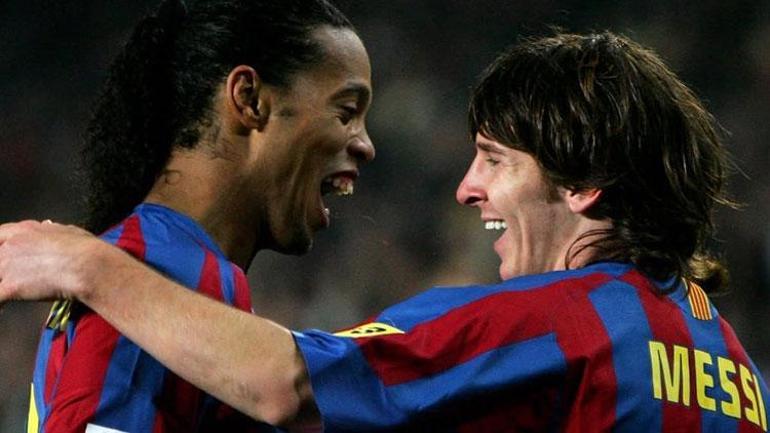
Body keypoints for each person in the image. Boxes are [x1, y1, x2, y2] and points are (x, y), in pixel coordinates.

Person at [1, 31, 768, 432]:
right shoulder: (736, 366)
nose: (467, 188)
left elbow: (284, 384)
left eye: (495, 159)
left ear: (583, 184)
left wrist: (84, 262)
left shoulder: (563, 325)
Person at [13, 0, 373, 432]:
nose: (366, 145)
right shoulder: (158, 272)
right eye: (346, 113)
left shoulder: (143, 266)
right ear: (249, 99)